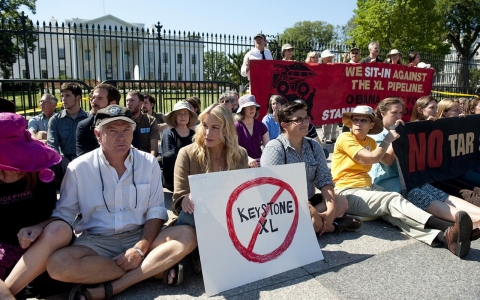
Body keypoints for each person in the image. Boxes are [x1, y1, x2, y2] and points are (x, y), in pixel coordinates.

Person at [46, 105, 197, 299]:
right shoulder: (78, 168)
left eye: (126, 130)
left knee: (188, 234)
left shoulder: (148, 163)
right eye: (112, 130)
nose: (121, 136)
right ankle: (153, 269)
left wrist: (139, 249)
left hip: (141, 236)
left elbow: (156, 211)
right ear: (98, 134)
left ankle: (111, 287)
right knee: (57, 265)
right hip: (97, 242)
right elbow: (64, 213)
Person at [331, 105, 473, 258]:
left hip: (368, 187)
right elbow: (371, 158)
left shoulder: (370, 142)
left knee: (397, 216)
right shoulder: (345, 137)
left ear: (371, 124)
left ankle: (444, 238)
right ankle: (448, 226)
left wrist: (397, 136)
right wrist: (387, 140)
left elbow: (388, 159)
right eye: (356, 120)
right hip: (347, 192)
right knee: (392, 199)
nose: (358, 124)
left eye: (363, 121)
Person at [369, 98, 480, 233]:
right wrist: (394, 139)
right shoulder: (375, 135)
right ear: (382, 113)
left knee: (442, 195)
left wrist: (427, 128)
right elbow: (387, 160)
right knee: (423, 197)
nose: (399, 116)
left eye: (400, 112)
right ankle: (470, 220)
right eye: (395, 113)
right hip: (389, 182)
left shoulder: (399, 129)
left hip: (410, 178)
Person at [261, 101, 362, 235]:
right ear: (284, 125)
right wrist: (310, 210)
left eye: (306, 118)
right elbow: (272, 189)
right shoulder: (275, 148)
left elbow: (324, 179)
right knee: (289, 218)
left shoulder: (313, 145)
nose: (305, 123)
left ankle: (311, 227)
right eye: (299, 120)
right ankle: (333, 227)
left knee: (341, 202)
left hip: (309, 201)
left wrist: (331, 210)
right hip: (283, 206)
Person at [0, 113, 73, 298]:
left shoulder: (49, 163)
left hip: (42, 244)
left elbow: (71, 209)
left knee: (60, 229)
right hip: (2, 249)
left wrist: (39, 227)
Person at [173, 103, 249, 224]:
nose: (207, 133)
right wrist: (185, 199)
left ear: (226, 129)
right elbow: (178, 198)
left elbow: (245, 193)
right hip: (196, 218)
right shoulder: (187, 154)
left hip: (231, 218)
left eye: (215, 127)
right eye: (204, 125)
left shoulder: (240, 154)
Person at [161, 101, 197, 191]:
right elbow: (169, 155)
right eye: (179, 114)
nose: (183, 116)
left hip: (191, 172)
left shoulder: (195, 135)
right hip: (173, 175)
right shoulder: (169, 133)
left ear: (189, 116)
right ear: (174, 117)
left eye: (185, 113)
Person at [47, 82, 88, 161]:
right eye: (62, 96)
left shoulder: (88, 118)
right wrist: (59, 163)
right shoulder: (55, 120)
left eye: (68, 95)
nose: (63, 99)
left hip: (86, 162)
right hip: (64, 161)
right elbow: (52, 145)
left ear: (78, 98)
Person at [76, 83, 120, 157]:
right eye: (93, 98)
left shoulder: (127, 124)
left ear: (112, 103)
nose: (93, 102)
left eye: (100, 98)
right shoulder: (84, 126)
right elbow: (83, 157)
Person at [235, 94, 269, 168]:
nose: (252, 109)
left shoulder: (261, 126)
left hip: (260, 163)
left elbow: (268, 147)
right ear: (242, 109)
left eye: (254, 106)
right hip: (241, 164)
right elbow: (235, 148)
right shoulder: (236, 126)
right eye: (249, 107)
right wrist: (248, 159)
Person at [126, 90, 159, 157]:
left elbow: (154, 146)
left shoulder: (150, 120)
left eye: (132, 100)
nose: (128, 103)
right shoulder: (122, 121)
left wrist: (150, 160)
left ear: (141, 104)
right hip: (126, 158)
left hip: (146, 157)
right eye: (127, 101)